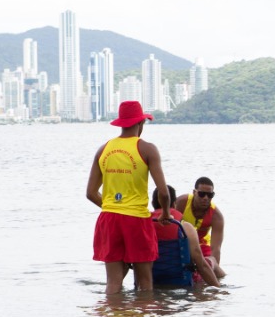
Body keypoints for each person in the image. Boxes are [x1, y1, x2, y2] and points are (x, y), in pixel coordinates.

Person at [85, 101, 171, 295]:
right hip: (137, 219)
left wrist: (114, 207)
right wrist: (166, 213)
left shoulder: (103, 149)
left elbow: (90, 193)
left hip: (108, 219)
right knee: (145, 282)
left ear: (121, 123)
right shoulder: (147, 149)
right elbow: (163, 192)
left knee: (113, 283)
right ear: (141, 123)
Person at [151, 186, 220, 288]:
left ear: (152, 204)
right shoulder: (185, 227)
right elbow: (201, 264)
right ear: (174, 204)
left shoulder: (144, 226)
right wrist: (218, 290)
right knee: (212, 262)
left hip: (151, 282)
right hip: (181, 283)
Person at [175, 176, 226, 279]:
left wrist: (211, 273)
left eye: (210, 195)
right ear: (194, 192)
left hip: (202, 246)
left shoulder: (216, 216)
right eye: (202, 194)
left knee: (211, 267)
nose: (206, 198)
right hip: (180, 242)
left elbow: (215, 249)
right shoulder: (181, 203)